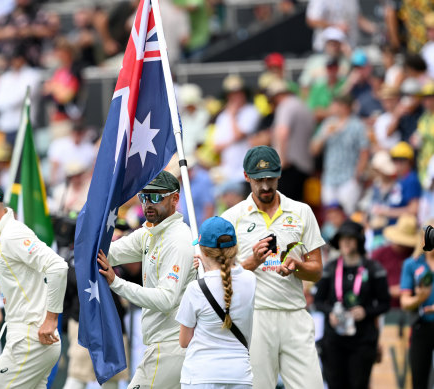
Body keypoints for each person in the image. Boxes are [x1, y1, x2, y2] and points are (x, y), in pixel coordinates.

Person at [221, 145, 325, 389]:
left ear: (279, 175)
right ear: (246, 176)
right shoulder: (231, 218)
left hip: (295, 314)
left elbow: (317, 270)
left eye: (270, 178)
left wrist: (297, 267)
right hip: (255, 316)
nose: (265, 186)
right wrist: (252, 263)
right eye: (258, 179)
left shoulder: (302, 212)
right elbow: (221, 277)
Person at [0, 180, 68, 388]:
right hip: (29, 338)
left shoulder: (12, 234)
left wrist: (51, 319)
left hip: (30, 339)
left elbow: (58, 266)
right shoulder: (1, 236)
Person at [96, 170, 195, 389]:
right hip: (162, 345)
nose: (149, 203)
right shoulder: (150, 232)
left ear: (175, 199)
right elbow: (106, 254)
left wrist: (117, 283)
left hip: (171, 346)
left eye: (157, 197)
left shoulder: (178, 239)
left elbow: (166, 299)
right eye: (144, 196)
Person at [176, 216, 256, 388]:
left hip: (201, 374)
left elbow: (184, 341)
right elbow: (230, 275)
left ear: (203, 252)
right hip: (239, 374)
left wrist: (202, 272)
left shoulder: (195, 288)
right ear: (234, 248)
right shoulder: (251, 280)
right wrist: (207, 268)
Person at [314, 220, 390, 389]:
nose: (346, 242)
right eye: (342, 239)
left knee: (358, 384)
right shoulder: (331, 268)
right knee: (335, 384)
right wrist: (331, 312)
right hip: (334, 339)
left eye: (351, 238)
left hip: (363, 340)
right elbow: (318, 301)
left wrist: (366, 311)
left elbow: (385, 304)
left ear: (359, 241)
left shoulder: (373, 268)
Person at [400, 232, 434, 389]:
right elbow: (405, 301)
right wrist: (419, 299)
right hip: (422, 326)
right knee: (419, 379)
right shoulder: (412, 264)